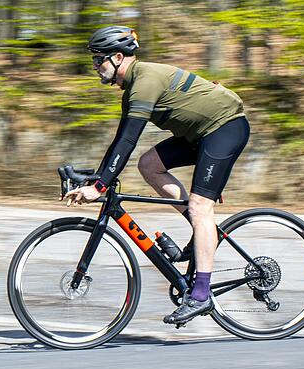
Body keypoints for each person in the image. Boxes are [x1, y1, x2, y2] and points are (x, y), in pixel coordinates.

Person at [63, 26, 250, 325]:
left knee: (202, 205)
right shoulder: (133, 86)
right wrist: (96, 178)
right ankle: (203, 231)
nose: (95, 67)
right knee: (149, 164)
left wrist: (100, 186)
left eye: (99, 60)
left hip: (225, 128)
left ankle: (200, 295)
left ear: (118, 57)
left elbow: (128, 142)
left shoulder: (144, 82)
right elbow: (119, 141)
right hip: (199, 134)